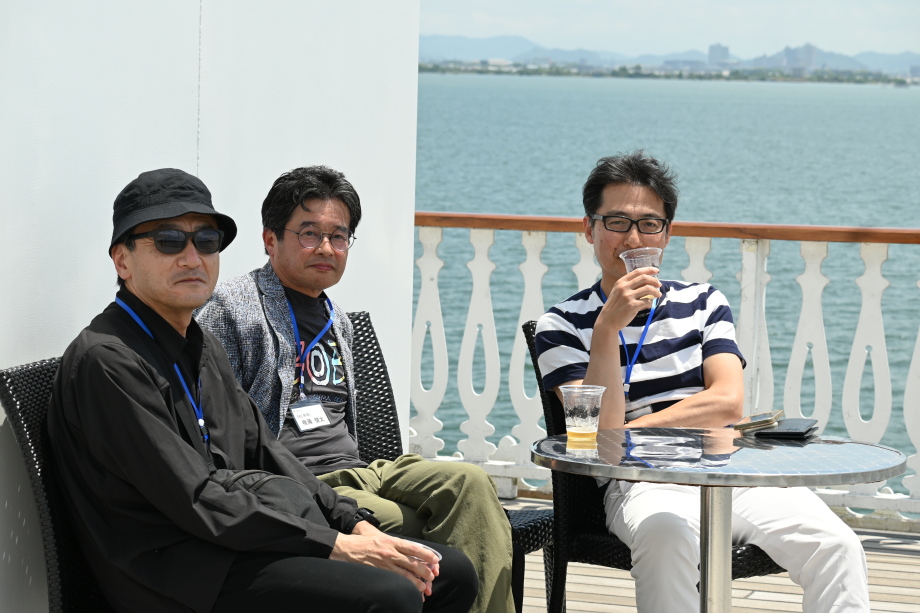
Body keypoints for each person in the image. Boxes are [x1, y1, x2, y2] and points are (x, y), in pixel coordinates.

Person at [47, 168, 477, 613]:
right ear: (122, 260)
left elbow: (266, 452)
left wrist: (353, 523)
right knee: (390, 594)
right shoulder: (108, 361)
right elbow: (194, 498)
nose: (192, 258)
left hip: (233, 542)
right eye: (169, 241)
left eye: (207, 241)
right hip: (178, 573)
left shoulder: (199, 345)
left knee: (449, 572)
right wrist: (334, 544)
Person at [535, 152, 869, 613]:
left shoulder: (703, 302)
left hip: (733, 472)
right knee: (666, 537)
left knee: (836, 545)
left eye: (649, 224)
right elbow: (602, 433)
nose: (633, 238)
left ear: (667, 233)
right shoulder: (562, 325)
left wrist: (633, 430)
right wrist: (607, 328)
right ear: (590, 229)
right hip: (640, 481)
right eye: (616, 222)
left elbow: (728, 403)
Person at [196, 165, 515, 613]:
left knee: (472, 483)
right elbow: (221, 434)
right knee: (423, 525)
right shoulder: (232, 310)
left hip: (365, 468)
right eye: (310, 233)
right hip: (304, 481)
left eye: (339, 236)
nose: (326, 248)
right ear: (271, 239)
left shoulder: (337, 319)